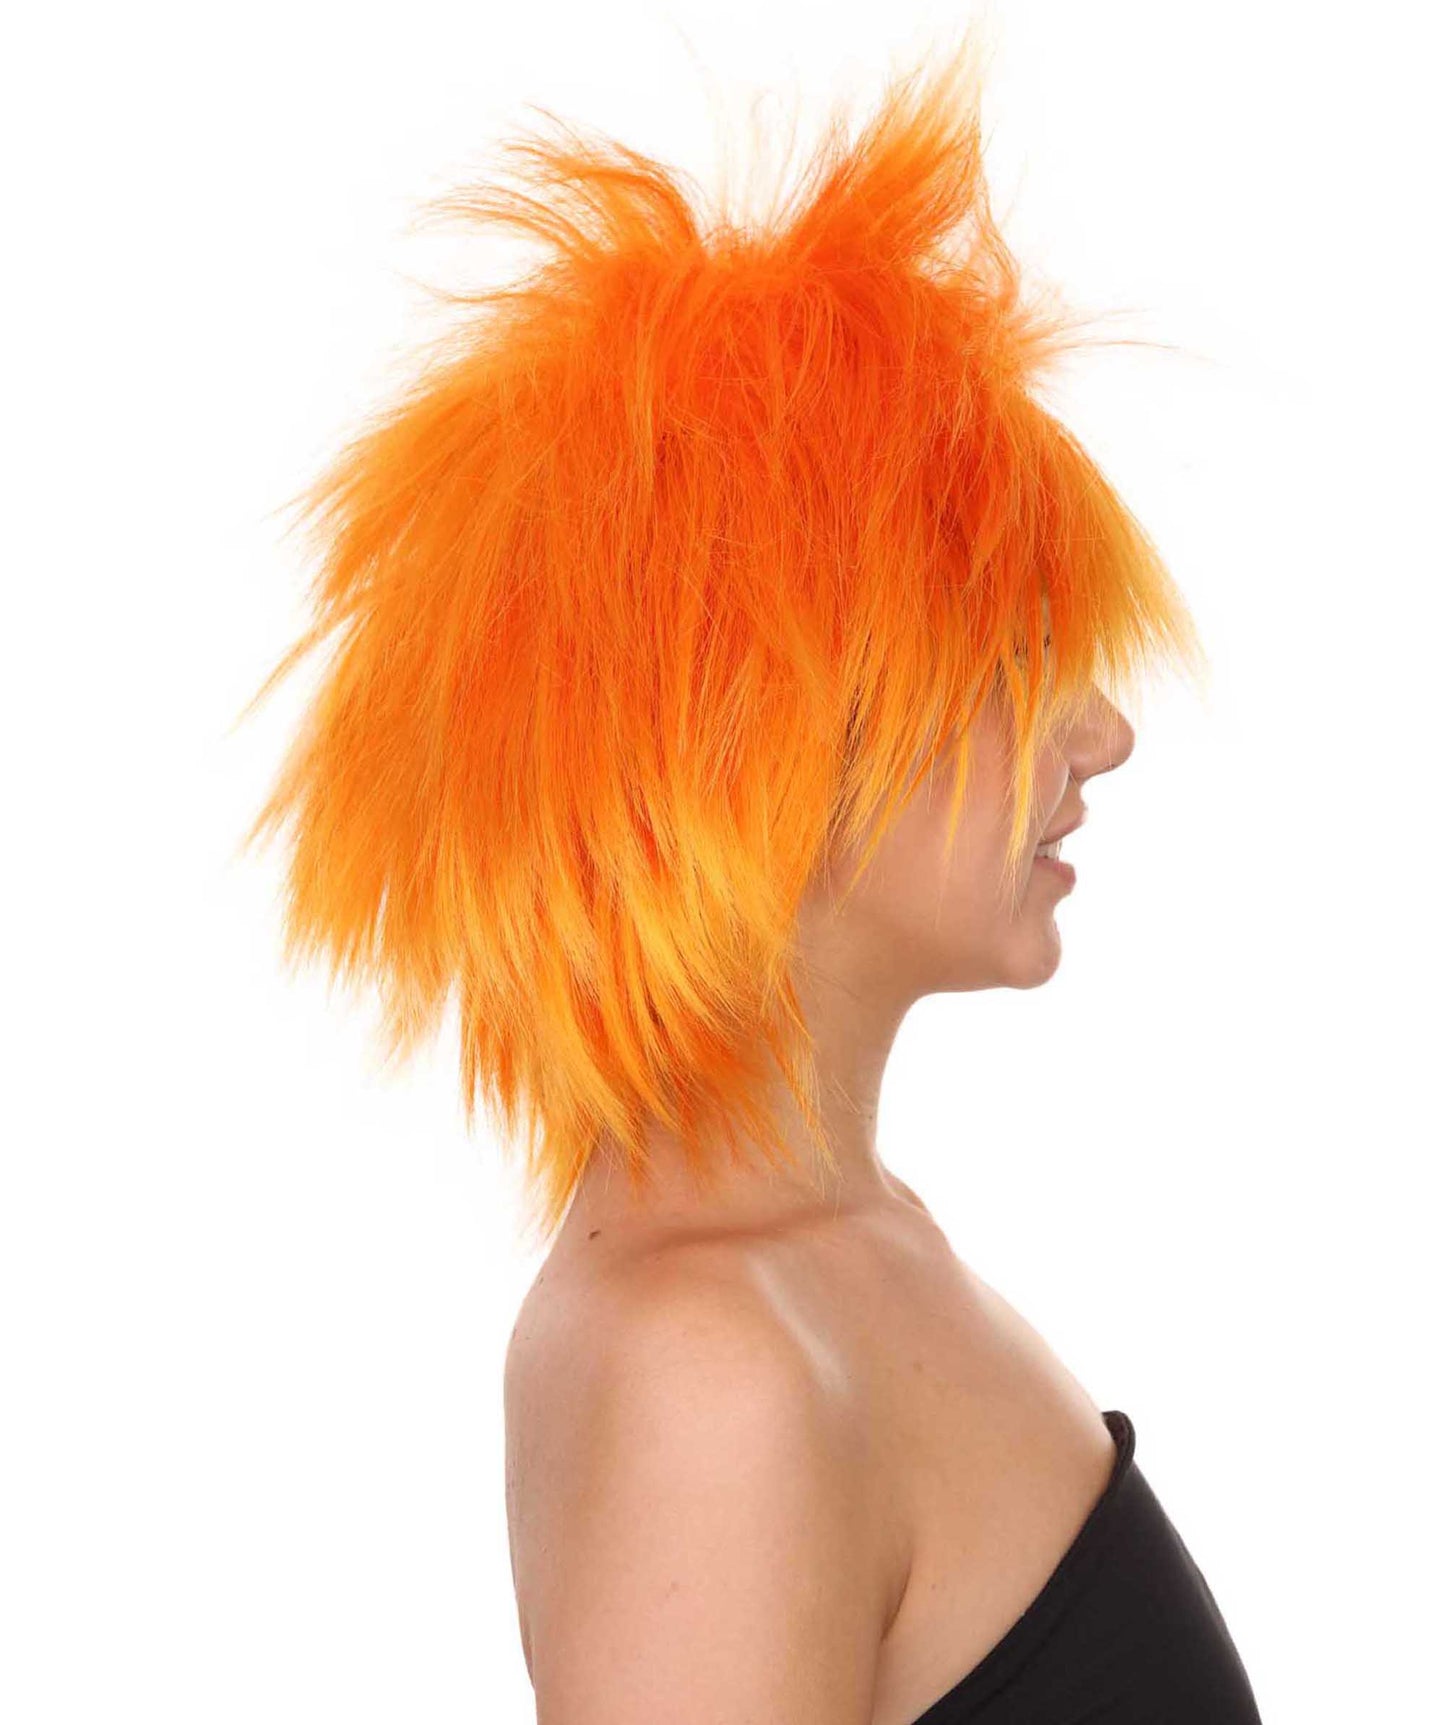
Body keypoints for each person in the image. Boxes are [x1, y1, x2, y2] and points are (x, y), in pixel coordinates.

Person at [238, 29, 1263, 1723]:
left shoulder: (841, 1257)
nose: (1102, 731)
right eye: (1012, 655)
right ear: (755, 736)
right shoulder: (709, 1363)